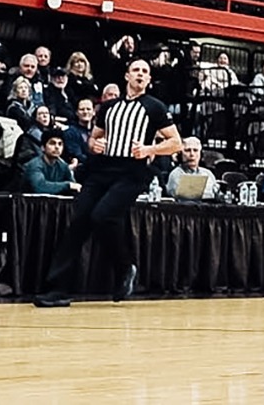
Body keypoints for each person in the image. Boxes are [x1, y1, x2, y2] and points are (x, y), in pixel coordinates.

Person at [34, 59, 183, 307]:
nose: (141, 74)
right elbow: (93, 139)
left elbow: (176, 142)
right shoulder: (109, 106)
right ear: (126, 75)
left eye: (145, 71)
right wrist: (95, 145)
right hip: (102, 169)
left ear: (148, 80)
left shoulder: (155, 107)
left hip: (132, 172)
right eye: (136, 69)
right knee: (79, 221)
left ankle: (125, 267)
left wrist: (149, 149)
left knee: (102, 216)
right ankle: (58, 290)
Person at [25, 130, 80, 196]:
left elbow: (74, 187)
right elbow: (40, 187)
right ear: (43, 148)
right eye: (52, 143)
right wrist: (67, 185)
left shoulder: (63, 165)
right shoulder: (35, 164)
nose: (57, 147)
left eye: (60, 144)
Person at [165, 136, 219, 201]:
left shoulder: (208, 173)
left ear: (200, 154)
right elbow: (184, 195)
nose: (192, 154)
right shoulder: (175, 174)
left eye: (195, 150)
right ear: (181, 154)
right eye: (187, 150)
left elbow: (216, 194)